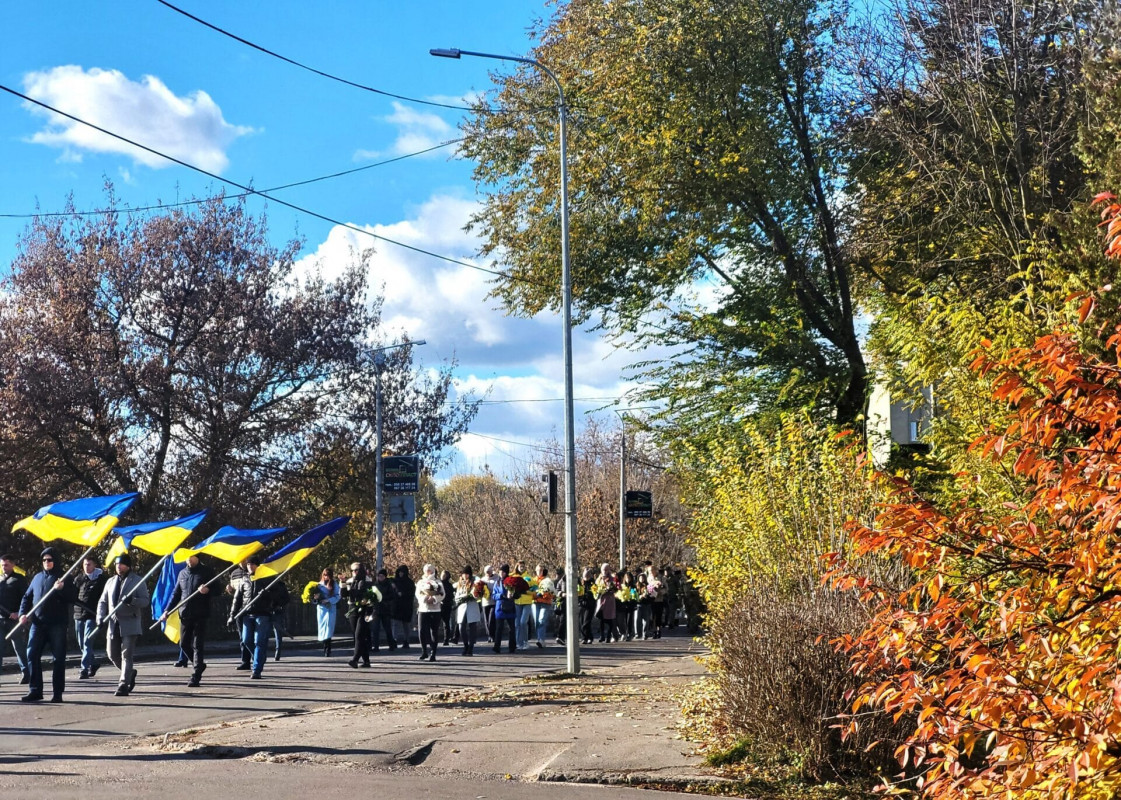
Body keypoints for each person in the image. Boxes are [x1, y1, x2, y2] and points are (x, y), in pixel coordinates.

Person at [18, 547, 78, 702]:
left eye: (50, 560)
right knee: (32, 655)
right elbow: (26, 597)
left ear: (55, 561)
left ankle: (57, 693)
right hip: (38, 624)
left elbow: (73, 597)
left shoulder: (64, 578)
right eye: (44, 560)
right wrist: (22, 614)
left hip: (57, 624)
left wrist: (62, 589)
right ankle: (35, 690)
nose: (46, 562)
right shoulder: (37, 577)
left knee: (58, 658)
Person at [96, 553, 150, 697]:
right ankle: (130, 672)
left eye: (121, 564)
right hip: (114, 623)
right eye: (116, 564)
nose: (118, 567)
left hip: (130, 622)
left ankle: (123, 684)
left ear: (128, 566)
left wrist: (132, 600)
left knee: (126, 654)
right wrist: (100, 617)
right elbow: (102, 601)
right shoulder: (110, 581)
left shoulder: (137, 581)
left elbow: (145, 601)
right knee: (112, 654)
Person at [227, 554, 289, 679]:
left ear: (257, 566)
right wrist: (232, 615)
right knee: (246, 640)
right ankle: (258, 657)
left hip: (263, 614)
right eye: (248, 564)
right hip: (247, 614)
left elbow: (282, 597)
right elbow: (237, 599)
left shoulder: (268, 579)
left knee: (259, 641)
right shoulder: (245, 580)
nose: (250, 567)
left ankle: (257, 669)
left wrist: (268, 595)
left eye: (252, 564)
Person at [162, 553, 215, 687]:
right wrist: (167, 610)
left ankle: (196, 675)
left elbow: (218, 589)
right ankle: (199, 664)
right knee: (184, 644)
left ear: (197, 558)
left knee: (198, 645)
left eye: (191, 557)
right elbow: (176, 594)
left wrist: (207, 590)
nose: (189, 560)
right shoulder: (182, 573)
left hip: (201, 614)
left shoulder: (207, 572)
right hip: (185, 613)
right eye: (186, 558)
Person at [73, 554, 106, 680]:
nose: (86, 567)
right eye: (85, 564)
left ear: (94, 565)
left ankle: (84, 669)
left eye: (89, 564)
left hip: (92, 615)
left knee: (87, 642)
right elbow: (73, 593)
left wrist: (101, 614)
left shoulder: (101, 579)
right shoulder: (79, 578)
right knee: (81, 643)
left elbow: (104, 597)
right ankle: (94, 663)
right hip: (78, 614)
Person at [0, 554, 30, 684]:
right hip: (1, 618)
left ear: (13, 564)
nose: (4, 568)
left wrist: (20, 613)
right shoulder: (0, 580)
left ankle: (26, 672)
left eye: (6, 565)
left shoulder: (19, 579)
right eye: (2, 565)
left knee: (19, 647)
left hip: (14, 620)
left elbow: (27, 597)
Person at [341, 562, 377, 668]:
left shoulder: (368, 581)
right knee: (357, 636)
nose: (354, 572)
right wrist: (342, 583)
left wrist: (368, 605)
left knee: (359, 635)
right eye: (352, 570)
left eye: (356, 570)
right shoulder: (350, 582)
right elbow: (344, 595)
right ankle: (366, 661)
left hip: (365, 610)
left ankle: (355, 659)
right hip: (352, 609)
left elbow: (372, 597)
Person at [415, 563, 445, 662]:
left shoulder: (438, 582)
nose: (428, 572)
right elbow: (418, 594)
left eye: (429, 570)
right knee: (422, 630)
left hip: (435, 610)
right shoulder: (421, 582)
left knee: (434, 631)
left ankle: (433, 652)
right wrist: (425, 598)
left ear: (433, 571)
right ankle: (424, 651)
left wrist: (434, 599)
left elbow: (442, 594)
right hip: (423, 609)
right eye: (426, 570)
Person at [228, 559, 253, 669]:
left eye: (245, 560)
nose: (243, 562)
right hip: (240, 609)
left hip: (251, 608)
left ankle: (256, 657)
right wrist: (229, 589)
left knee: (252, 637)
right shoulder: (234, 573)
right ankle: (245, 661)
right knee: (243, 637)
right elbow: (235, 592)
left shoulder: (256, 571)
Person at [453, 566, 483, 656]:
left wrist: (473, 595)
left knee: (472, 627)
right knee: (461, 627)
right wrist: (460, 599)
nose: (465, 576)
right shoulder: (459, 584)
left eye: (467, 574)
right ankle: (465, 645)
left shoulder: (474, 582)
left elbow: (477, 595)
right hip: (462, 607)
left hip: (472, 606)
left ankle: (471, 647)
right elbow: (457, 596)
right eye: (464, 574)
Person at [491, 564, 517, 654]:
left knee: (512, 628)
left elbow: (516, 593)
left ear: (506, 573)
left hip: (510, 606)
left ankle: (512, 646)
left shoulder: (510, 581)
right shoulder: (497, 582)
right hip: (500, 608)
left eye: (503, 572)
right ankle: (497, 646)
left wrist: (512, 594)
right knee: (499, 628)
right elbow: (493, 595)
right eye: (500, 572)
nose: (501, 573)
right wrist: (500, 595)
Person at [316, 567, 341, 656]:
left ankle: (328, 648)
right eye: (324, 575)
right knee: (322, 628)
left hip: (330, 608)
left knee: (329, 629)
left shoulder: (334, 584)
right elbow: (313, 598)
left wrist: (329, 600)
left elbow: (338, 596)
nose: (326, 577)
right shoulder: (319, 585)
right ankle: (324, 646)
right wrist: (316, 599)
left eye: (328, 575)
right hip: (321, 609)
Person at [371, 568, 397, 652]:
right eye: (379, 576)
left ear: (385, 577)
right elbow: (371, 596)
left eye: (382, 576)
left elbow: (392, 597)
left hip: (386, 609)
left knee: (387, 629)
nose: (380, 577)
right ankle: (375, 646)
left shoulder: (389, 585)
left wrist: (382, 598)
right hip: (376, 609)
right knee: (375, 629)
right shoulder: (375, 585)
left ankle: (391, 644)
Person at [513, 560, 535, 650]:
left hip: (527, 602)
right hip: (517, 602)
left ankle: (525, 641)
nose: (521, 567)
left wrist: (526, 592)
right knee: (517, 623)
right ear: (517, 567)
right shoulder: (514, 577)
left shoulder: (529, 578)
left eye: (523, 566)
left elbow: (534, 590)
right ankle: (519, 642)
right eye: (520, 566)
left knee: (523, 622)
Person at [593, 564, 617, 643]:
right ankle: (602, 635)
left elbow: (615, 588)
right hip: (601, 600)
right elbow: (595, 587)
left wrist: (610, 589)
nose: (605, 571)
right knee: (601, 619)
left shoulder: (612, 578)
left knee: (609, 619)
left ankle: (609, 636)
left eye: (607, 569)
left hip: (609, 600)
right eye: (604, 569)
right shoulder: (599, 578)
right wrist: (598, 591)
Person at [532, 565, 555, 648]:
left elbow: (552, 592)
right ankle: (539, 639)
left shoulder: (548, 581)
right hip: (535, 603)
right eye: (538, 570)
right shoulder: (533, 580)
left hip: (545, 603)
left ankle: (541, 640)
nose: (540, 572)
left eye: (541, 570)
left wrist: (544, 594)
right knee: (536, 622)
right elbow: (530, 591)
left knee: (541, 620)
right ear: (536, 570)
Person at [270, 578, 292, 661]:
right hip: (265, 609)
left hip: (277, 610)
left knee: (278, 630)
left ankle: (278, 650)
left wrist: (279, 605)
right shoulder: (263, 582)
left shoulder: (281, 585)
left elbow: (286, 598)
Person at [481, 564, 498, 642]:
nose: (488, 573)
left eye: (489, 571)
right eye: (486, 572)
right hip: (485, 602)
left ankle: (492, 634)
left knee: (491, 618)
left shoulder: (496, 578)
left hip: (494, 601)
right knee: (486, 620)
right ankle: (489, 635)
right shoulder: (482, 580)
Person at [579, 567, 596, 644]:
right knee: (582, 621)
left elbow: (594, 593)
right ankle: (585, 638)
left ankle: (588, 637)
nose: (586, 578)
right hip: (582, 604)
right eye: (585, 576)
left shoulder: (592, 583)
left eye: (587, 576)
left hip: (590, 605)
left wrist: (586, 594)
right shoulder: (581, 583)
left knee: (586, 622)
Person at [439, 569, 455, 645]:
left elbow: (450, 596)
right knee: (445, 623)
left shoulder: (446, 585)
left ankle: (446, 639)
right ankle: (445, 639)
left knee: (445, 623)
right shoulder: (441, 584)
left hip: (444, 605)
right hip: (443, 605)